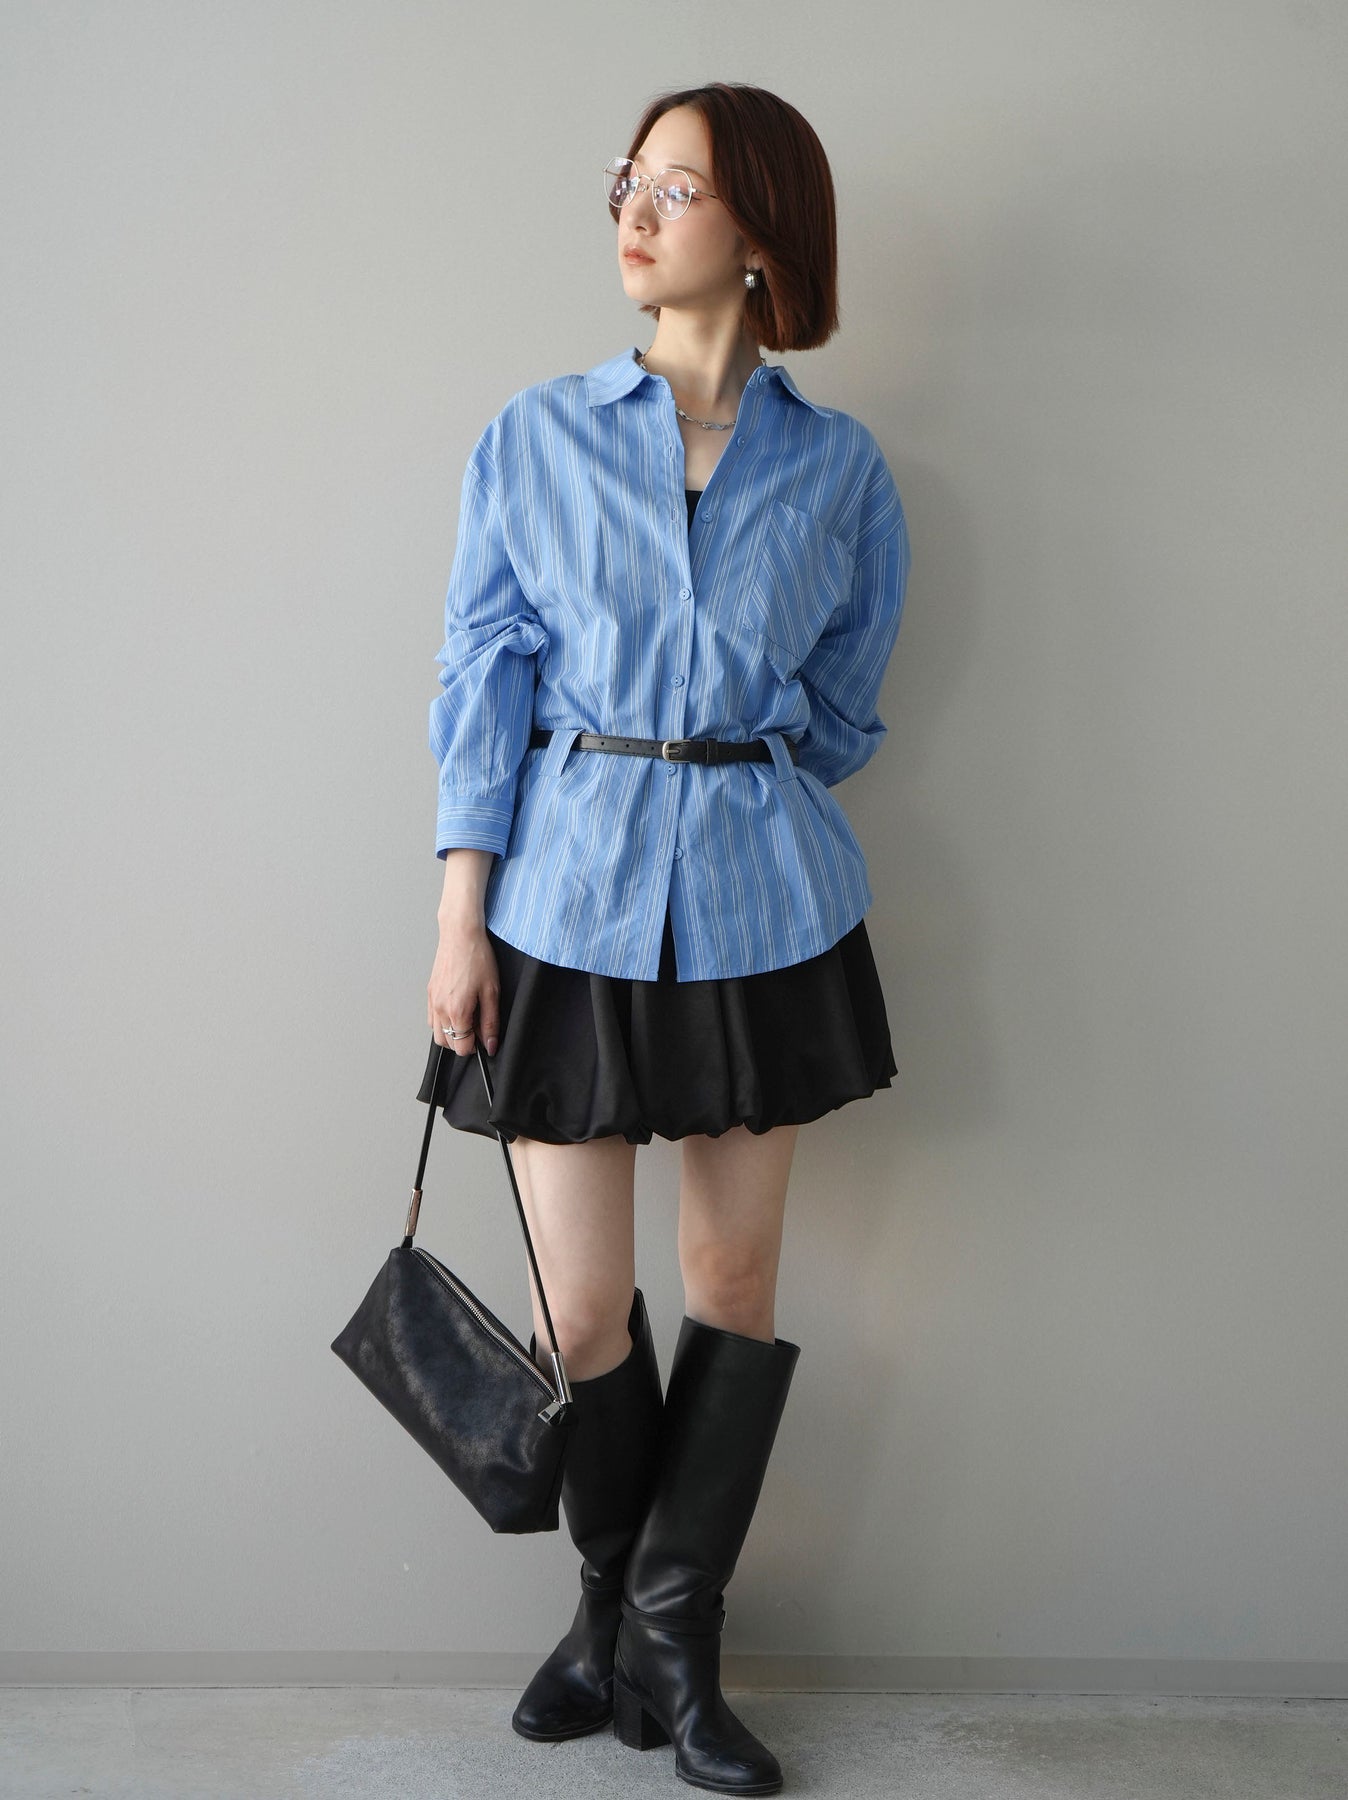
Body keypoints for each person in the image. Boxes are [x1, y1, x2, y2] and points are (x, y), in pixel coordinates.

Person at [419, 82, 910, 1798]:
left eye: (677, 187)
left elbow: (842, 710)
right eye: (626, 179)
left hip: (767, 915)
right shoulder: (536, 438)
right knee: (582, 1314)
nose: (634, 211)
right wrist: (461, 911)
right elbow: (480, 680)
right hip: (560, 910)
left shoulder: (840, 470)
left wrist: (728, 776)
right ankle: (612, 1613)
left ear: (761, 230)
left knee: (732, 1288)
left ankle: (666, 1647)